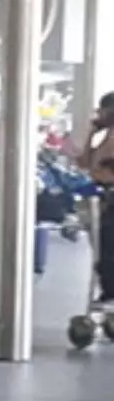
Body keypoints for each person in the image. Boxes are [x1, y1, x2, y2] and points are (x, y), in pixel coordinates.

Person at [77, 92, 114, 301]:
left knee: (108, 247)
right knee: (102, 247)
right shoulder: (105, 137)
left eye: (102, 111)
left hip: (110, 195)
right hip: (101, 196)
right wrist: (91, 134)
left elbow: (99, 168)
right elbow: (84, 163)